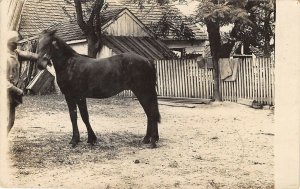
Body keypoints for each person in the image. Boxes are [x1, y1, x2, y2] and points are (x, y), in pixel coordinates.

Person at [7, 31, 38, 133]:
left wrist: (41, 57)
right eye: (16, 43)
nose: (18, 45)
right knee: (7, 120)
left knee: (10, 121)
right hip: (6, 90)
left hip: (10, 90)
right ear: (11, 43)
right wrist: (17, 90)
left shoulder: (14, 52)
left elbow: (27, 55)